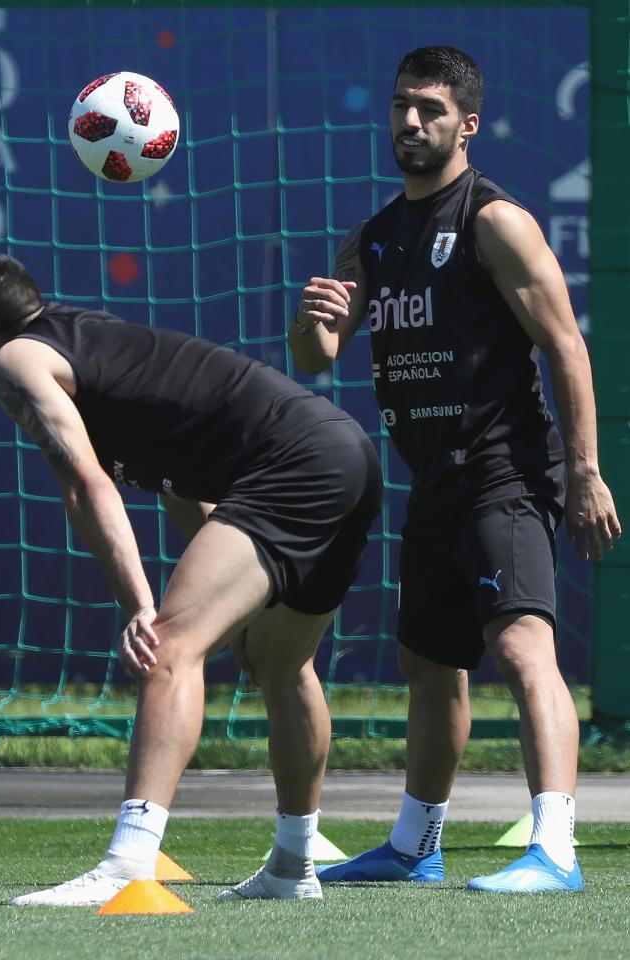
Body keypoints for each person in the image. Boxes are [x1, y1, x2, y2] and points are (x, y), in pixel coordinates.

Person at [0, 253, 382, 905]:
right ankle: (292, 867)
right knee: (281, 663)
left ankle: (127, 863)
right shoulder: (89, 346)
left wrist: (141, 606)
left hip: (291, 465)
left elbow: (85, 486)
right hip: (344, 453)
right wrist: (231, 607)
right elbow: (178, 481)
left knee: (168, 650)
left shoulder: (16, 363)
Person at [288, 45, 621, 894]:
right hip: (433, 477)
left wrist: (584, 470)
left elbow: (565, 345)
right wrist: (313, 322)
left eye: (429, 110)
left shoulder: (494, 221)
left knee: (519, 646)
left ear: (465, 125)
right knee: (429, 665)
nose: (408, 121)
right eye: (401, 105)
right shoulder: (372, 237)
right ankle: (413, 846)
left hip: (506, 465)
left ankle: (554, 849)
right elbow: (321, 357)